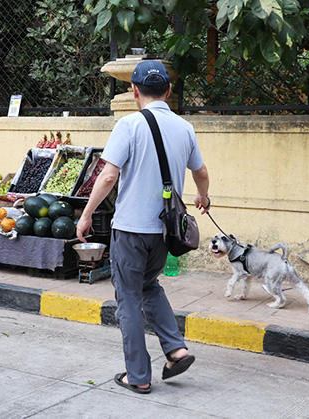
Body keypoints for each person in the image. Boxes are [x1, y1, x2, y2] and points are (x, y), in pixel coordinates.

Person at [76, 60, 210, 394]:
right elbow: (201, 172)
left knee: (128, 298)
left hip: (131, 229)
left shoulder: (129, 125)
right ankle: (176, 349)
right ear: (167, 91)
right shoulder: (184, 128)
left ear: (134, 90)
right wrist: (203, 197)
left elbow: (108, 175)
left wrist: (87, 213)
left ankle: (138, 376)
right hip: (165, 231)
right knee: (148, 285)